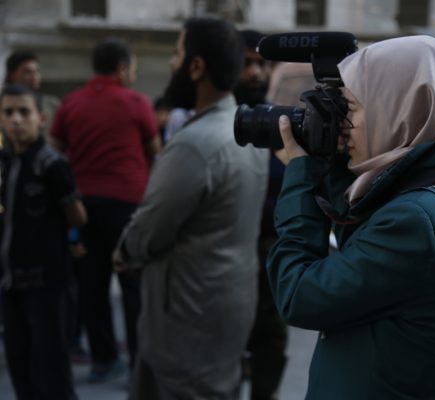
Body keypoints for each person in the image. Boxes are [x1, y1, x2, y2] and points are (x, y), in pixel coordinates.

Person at [269, 35, 435, 399]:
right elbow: (358, 240)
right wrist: (333, 166)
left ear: (402, 112)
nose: (344, 126)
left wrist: (299, 179)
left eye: (354, 109)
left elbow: (298, 295)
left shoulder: (417, 221)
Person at [113, 18, 269, 400]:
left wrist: (123, 252)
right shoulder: (244, 133)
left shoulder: (193, 145)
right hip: (223, 312)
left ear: (196, 67)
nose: (171, 63)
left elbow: (148, 232)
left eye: (177, 53)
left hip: (186, 322)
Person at [49, 38, 161, 382]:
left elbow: (55, 150)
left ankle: (103, 359)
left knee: (91, 285)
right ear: (122, 68)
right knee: (132, 284)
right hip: (128, 204)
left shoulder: (70, 104)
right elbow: (155, 151)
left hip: (84, 205)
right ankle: (137, 365)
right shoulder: (136, 102)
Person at [0, 84, 87, 400]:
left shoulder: (50, 163)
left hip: (47, 283)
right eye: (8, 112)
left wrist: (68, 237)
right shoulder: (5, 162)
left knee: (50, 367)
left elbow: (77, 215)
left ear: (41, 118)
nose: (16, 120)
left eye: (24, 112)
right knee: (19, 362)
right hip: (12, 282)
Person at [233, 29, 288, 400]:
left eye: (261, 64)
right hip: (228, 252)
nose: (255, 72)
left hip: (271, 251)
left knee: (271, 339)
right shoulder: (217, 121)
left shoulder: (281, 122)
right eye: (246, 63)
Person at [3, 51, 61, 140]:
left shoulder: (52, 104)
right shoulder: (3, 103)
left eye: (37, 71)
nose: (35, 76)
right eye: (27, 72)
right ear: (12, 75)